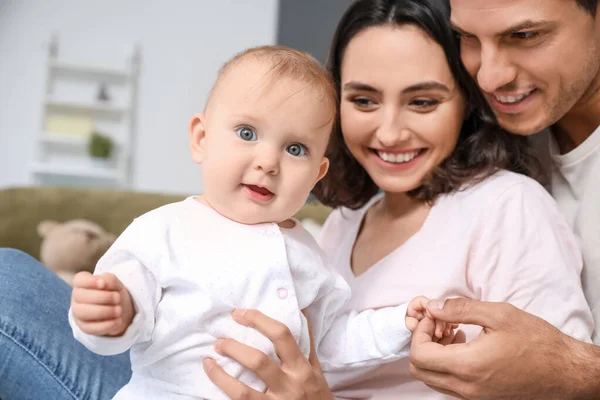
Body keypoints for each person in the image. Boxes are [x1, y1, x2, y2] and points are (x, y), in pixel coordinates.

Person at [201, 1, 593, 399]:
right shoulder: (343, 225)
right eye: (364, 101)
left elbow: (556, 382)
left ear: (467, 101)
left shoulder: (508, 206)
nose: (389, 134)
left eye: (422, 102)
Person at [68, 45, 450, 400]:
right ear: (202, 138)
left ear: (317, 175)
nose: (269, 161)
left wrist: (401, 323)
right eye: (247, 133)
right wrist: (109, 315)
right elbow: (116, 327)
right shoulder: (162, 230)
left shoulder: (307, 252)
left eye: (295, 148)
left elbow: (330, 341)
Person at [408, 0, 600, 398]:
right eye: (467, 38)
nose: (489, 77)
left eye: (525, 36)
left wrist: (573, 369)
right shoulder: (475, 136)